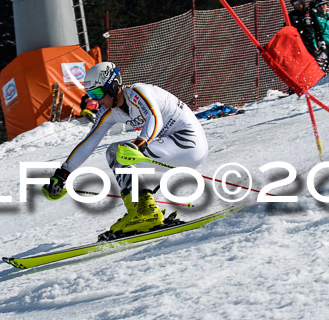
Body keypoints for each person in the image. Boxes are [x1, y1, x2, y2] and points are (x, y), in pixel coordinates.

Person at [43, 62, 209, 235]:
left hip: (188, 142)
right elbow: (89, 142)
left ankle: (145, 213)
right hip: (172, 148)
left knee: (119, 153)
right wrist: (63, 173)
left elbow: (155, 117)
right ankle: (142, 209)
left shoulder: (138, 92)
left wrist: (139, 144)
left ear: (114, 86)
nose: (96, 100)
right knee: (116, 153)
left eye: (98, 93)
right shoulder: (109, 111)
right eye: (91, 95)